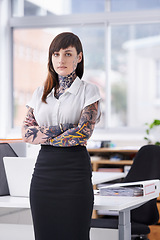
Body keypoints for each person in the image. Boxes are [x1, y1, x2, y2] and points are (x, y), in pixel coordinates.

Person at [22, 32, 101, 240]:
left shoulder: (88, 91)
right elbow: (27, 134)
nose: (61, 60)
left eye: (67, 54)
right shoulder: (40, 93)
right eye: (56, 54)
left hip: (74, 174)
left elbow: (83, 133)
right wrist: (65, 128)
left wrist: (45, 133)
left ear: (79, 57)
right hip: (43, 175)